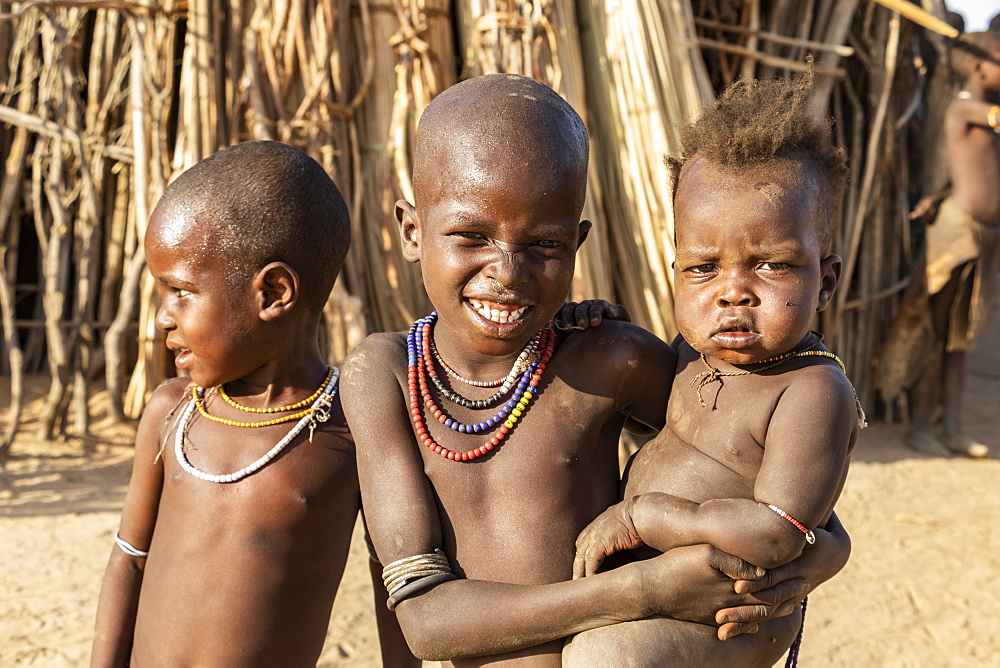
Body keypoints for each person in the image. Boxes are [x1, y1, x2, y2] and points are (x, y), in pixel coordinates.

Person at [342, 73, 851, 666]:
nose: (507, 271)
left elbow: (752, 459)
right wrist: (642, 590)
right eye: (470, 235)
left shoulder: (612, 358)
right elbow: (426, 623)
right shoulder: (384, 375)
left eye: (545, 245)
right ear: (411, 230)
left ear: (577, 244)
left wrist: (824, 548)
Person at [564, 73, 865, 667]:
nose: (734, 292)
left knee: (605, 659)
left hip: (729, 615)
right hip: (662, 594)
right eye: (703, 269)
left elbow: (780, 531)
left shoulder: (811, 392)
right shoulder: (689, 353)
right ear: (674, 268)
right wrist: (594, 322)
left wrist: (647, 515)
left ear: (824, 280)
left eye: (770, 266)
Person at [90, 141, 383, 666]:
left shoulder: (353, 432)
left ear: (273, 293)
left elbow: (393, 593)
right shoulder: (173, 413)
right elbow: (129, 563)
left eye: (180, 292)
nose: (161, 317)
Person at [900, 32, 1000, 459]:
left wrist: (937, 195)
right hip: (957, 235)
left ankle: (954, 428)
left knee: (960, 338)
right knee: (936, 330)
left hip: (982, 236)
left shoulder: (983, 118)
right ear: (979, 68)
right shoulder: (965, 108)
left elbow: (968, 173)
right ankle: (920, 428)